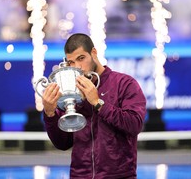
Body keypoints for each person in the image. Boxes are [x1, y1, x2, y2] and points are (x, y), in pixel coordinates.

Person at [42, 33, 147, 178]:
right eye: (71, 62)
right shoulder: (70, 91)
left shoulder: (124, 83)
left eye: (81, 58)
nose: (77, 67)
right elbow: (62, 143)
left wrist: (98, 103)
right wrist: (50, 115)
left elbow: (135, 125)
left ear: (94, 53)